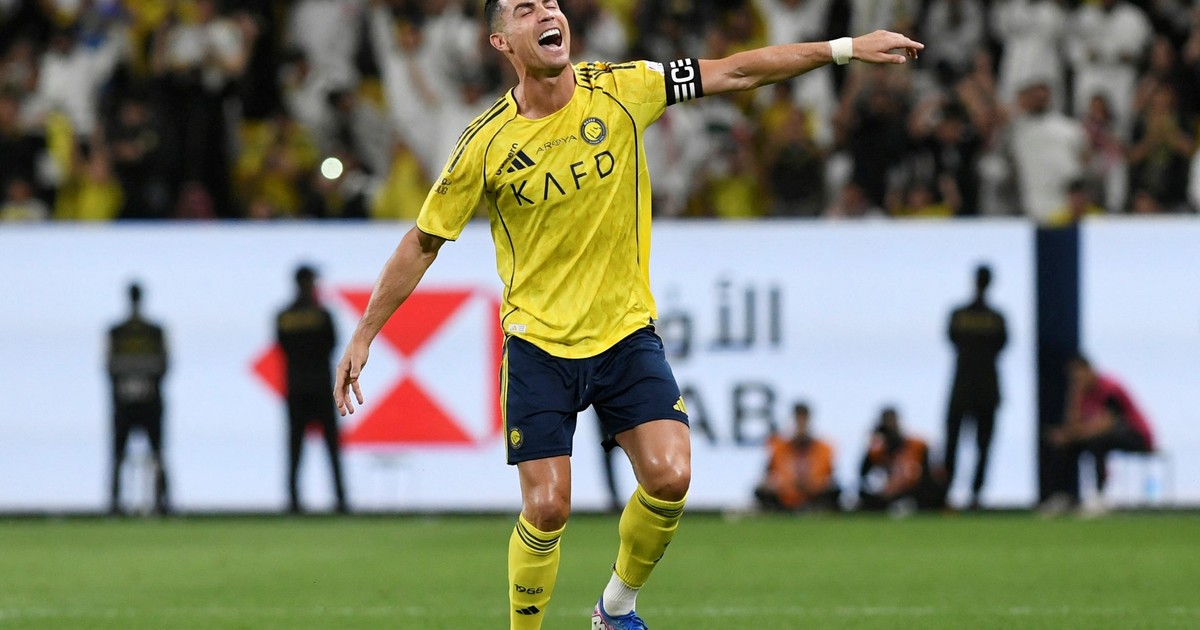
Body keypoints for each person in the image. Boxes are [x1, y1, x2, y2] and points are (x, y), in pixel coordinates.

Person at [332, 2, 922, 627]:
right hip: (539, 346)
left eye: (551, 2)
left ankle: (614, 609)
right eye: (527, 9)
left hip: (624, 334)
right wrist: (366, 333)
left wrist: (843, 48)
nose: (548, 12)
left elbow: (736, 71)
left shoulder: (623, 88)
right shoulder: (486, 144)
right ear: (501, 42)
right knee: (548, 509)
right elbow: (423, 241)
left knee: (670, 476)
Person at [277, 265, 348, 514]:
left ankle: (293, 503)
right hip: (321, 386)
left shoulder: (284, 316)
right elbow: (331, 345)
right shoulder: (323, 315)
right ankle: (341, 501)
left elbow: (283, 347)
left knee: (295, 448)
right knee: (331, 448)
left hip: (296, 387)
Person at [1047, 352, 1155, 515]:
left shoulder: (1110, 388)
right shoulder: (1081, 392)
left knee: (1098, 442)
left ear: (1089, 369)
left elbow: (1105, 426)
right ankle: (1064, 496)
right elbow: (1073, 425)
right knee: (1066, 446)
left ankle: (1099, 496)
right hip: (1102, 435)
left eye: (1078, 373)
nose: (1076, 379)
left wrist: (1069, 436)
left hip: (1136, 435)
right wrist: (1074, 396)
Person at [942, 264, 1008, 510]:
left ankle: (956, 492)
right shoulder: (995, 318)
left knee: (961, 442)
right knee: (978, 444)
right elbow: (1001, 345)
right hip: (984, 387)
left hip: (966, 387)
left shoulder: (960, 315)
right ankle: (970, 494)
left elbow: (952, 340)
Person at [107, 282, 169, 516]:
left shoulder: (119, 332)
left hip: (128, 402)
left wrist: (129, 376)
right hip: (147, 402)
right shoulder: (152, 331)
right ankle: (160, 503)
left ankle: (117, 504)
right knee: (153, 454)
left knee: (125, 455)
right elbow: (163, 364)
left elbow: (111, 366)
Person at [754, 402, 840, 512]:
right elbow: (768, 474)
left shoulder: (823, 448)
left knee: (834, 490)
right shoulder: (779, 447)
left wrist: (813, 484)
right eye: (798, 419)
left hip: (814, 492)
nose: (801, 424)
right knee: (762, 490)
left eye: (803, 420)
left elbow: (830, 477)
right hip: (786, 493)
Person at [858, 407, 944, 514]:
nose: (890, 426)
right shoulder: (877, 450)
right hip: (888, 493)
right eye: (886, 423)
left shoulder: (917, 445)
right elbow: (863, 475)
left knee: (933, 490)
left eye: (892, 421)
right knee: (867, 496)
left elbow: (927, 476)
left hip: (913, 490)